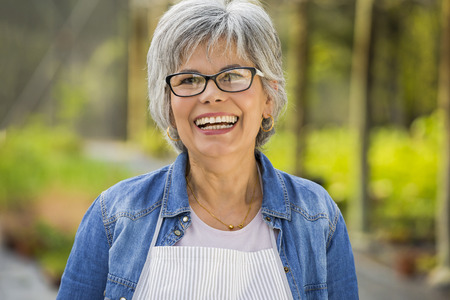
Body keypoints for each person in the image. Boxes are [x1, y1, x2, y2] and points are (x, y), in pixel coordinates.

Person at [57, 0, 359, 299]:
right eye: (189, 79)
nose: (211, 95)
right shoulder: (114, 216)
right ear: (169, 106)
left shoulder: (318, 216)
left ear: (268, 97)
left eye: (232, 76)